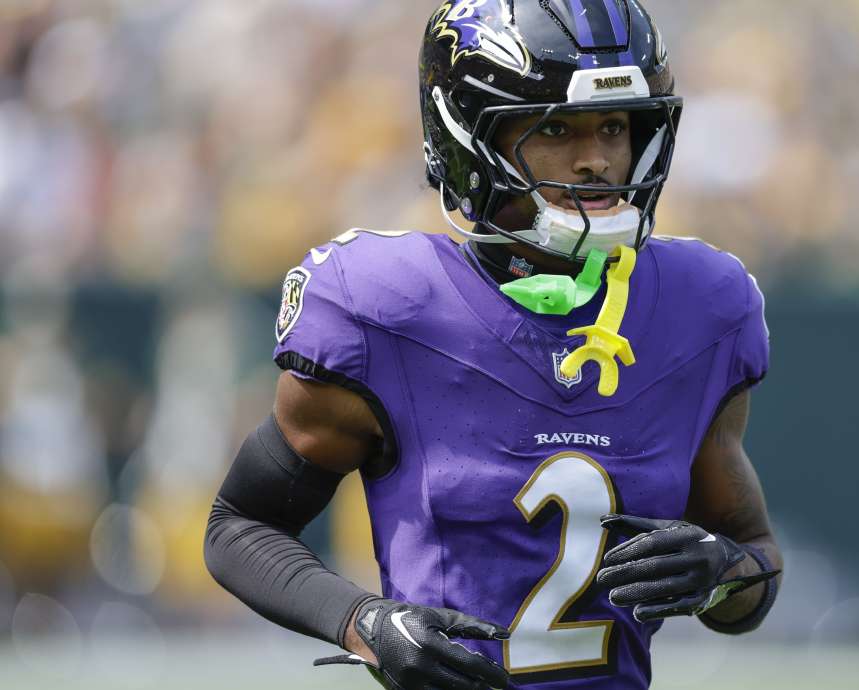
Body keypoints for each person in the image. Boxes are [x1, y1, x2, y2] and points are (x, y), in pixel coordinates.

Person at [204, 1, 782, 688]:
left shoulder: (700, 306)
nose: (596, 158)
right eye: (557, 128)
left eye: (615, 126)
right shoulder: (386, 307)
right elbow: (237, 527)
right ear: (468, 139)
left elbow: (754, 563)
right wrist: (365, 621)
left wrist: (721, 574)